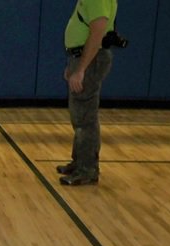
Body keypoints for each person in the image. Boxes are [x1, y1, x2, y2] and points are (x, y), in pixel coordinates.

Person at [58, 0, 117, 185]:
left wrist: (81, 69)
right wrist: (74, 65)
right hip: (84, 57)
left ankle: (87, 169)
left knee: (85, 117)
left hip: (91, 60)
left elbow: (97, 31)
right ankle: (79, 162)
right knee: (81, 114)